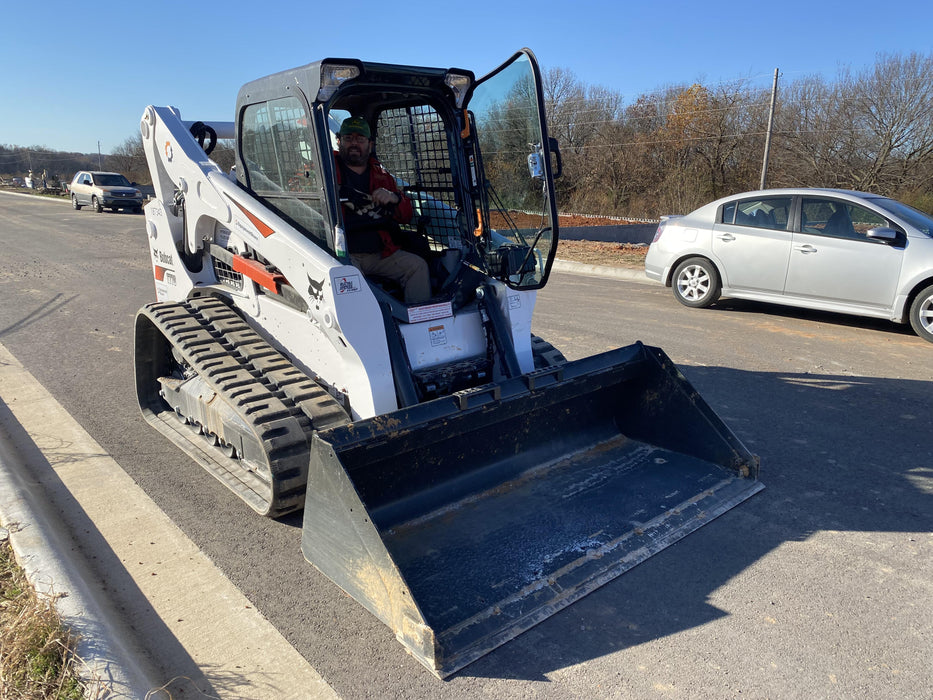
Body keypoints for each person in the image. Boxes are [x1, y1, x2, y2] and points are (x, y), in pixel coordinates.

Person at [334, 116, 430, 304]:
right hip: (344, 254)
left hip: (380, 253)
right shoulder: (324, 170)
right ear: (339, 141)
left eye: (360, 139)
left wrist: (394, 198)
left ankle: (419, 322)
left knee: (417, 266)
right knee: (352, 284)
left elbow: (406, 216)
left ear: (370, 144)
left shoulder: (382, 176)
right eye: (348, 138)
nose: (354, 144)